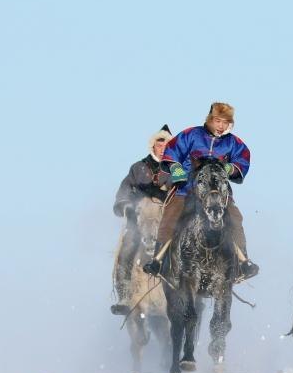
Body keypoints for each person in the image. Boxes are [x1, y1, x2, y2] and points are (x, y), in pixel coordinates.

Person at [142, 102, 259, 281]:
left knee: (235, 218)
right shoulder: (191, 135)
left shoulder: (233, 143)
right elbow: (172, 151)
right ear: (210, 120)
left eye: (225, 122)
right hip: (186, 190)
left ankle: (243, 262)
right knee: (170, 217)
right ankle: (158, 261)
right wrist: (177, 169)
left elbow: (242, 159)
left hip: (217, 194)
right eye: (217, 121)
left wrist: (230, 168)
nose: (221, 126)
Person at [110, 124, 172, 315]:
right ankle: (125, 294)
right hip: (140, 219)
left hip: (167, 219)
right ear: (153, 146)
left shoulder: (177, 170)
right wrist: (126, 206)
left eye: (166, 146)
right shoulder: (138, 168)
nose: (162, 150)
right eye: (159, 146)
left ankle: (191, 291)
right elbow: (125, 190)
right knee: (128, 245)